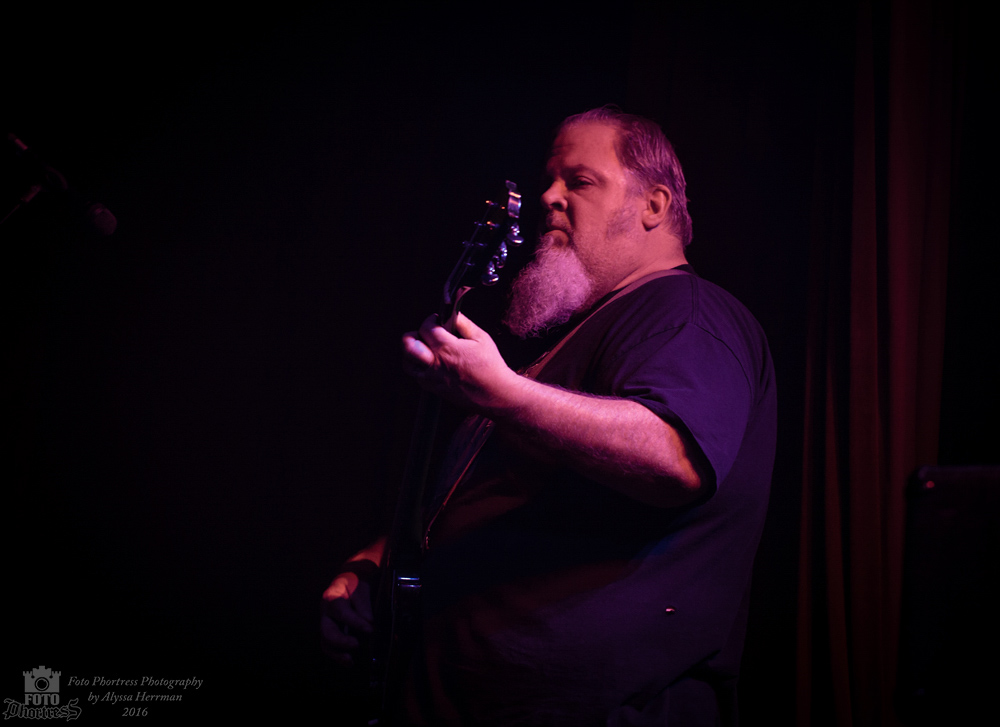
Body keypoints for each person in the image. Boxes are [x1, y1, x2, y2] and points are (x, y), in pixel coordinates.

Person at [322, 107, 777, 726]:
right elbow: (466, 507)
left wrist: (503, 393)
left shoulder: (685, 310)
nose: (548, 197)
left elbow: (675, 457)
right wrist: (371, 567)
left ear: (653, 206)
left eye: (579, 181)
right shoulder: (570, 345)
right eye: (551, 179)